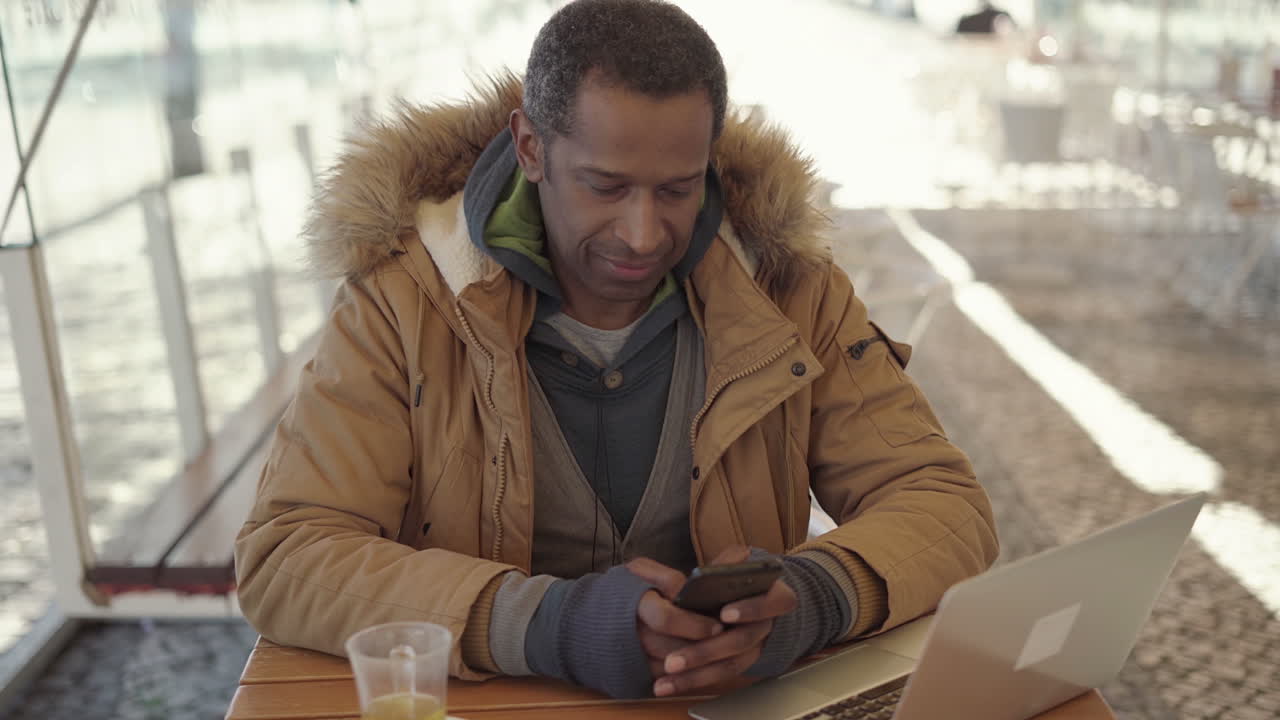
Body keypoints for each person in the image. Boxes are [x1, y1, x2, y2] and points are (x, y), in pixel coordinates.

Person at [235, 0, 998, 701]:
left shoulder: (791, 288)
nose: (643, 233)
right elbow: (288, 555)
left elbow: (945, 504)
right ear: (530, 147)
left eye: (678, 189)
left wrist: (809, 602)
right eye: (605, 186)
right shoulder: (402, 301)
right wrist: (550, 624)